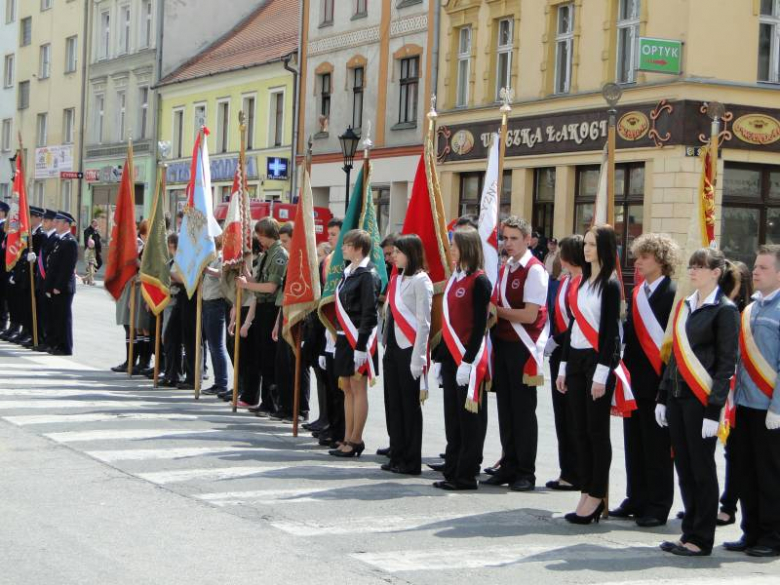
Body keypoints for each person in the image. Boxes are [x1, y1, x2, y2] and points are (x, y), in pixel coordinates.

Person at [656, 247, 739, 557]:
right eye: (691, 265)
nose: (692, 270)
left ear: (716, 273)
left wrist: (714, 409)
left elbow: (726, 364)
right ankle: (688, 531)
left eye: (699, 266)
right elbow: (675, 357)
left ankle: (702, 538)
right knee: (685, 466)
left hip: (701, 400)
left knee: (702, 468)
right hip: (678, 397)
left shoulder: (725, 310)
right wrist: (662, 395)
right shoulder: (685, 306)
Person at [611, 233, 679, 527]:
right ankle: (636, 497)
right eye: (637, 256)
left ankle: (658, 504)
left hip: (659, 381)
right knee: (634, 443)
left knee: (657, 447)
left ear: (661, 260)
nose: (637, 262)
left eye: (644, 257)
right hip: (635, 379)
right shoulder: (638, 292)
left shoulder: (673, 293)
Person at [556, 224, 622, 524]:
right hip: (576, 359)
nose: (586, 249)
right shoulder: (581, 282)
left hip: (597, 361)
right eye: (585, 244)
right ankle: (585, 489)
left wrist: (602, 374)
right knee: (579, 430)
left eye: (592, 244)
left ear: (604, 248)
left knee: (596, 431)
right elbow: (573, 325)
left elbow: (610, 333)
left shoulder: (610, 285)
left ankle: (597, 494)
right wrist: (563, 366)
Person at [484, 216, 548, 492]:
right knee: (506, 409)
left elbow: (530, 314)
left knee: (522, 411)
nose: (508, 243)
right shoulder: (506, 267)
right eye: (505, 238)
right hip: (503, 344)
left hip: (523, 348)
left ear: (528, 240)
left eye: (514, 238)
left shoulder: (534, 270)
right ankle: (508, 464)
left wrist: (495, 311)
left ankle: (525, 471)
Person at [724, 245, 780, 557]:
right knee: (745, 471)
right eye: (755, 266)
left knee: (770, 475)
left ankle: (773, 536)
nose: (755, 271)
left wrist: (777, 408)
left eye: (763, 267)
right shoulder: (751, 308)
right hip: (744, 405)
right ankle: (751, 531)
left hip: (770, 409)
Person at [433, 228, 491, 490]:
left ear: (467, 247)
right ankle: (452, 469)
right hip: (451, 358)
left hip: (468, 359)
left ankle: (466, 474)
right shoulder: (455, 278)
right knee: (452, 418)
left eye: (455, 246)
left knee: (469, 421)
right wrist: (441, 358)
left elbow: (479, 327)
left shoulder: (480, 281)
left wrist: (467, 362)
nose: (451, 250)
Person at [381, 234, 433, 475]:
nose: (393, 256)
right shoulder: (397, 279)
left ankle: (411, 461)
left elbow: (424, 323)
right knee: (393, 405)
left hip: (409, 350)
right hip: (392, 348)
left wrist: (418, 358)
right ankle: (397, 454)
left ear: (410, 254)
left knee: (409, 407)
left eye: (398, 252)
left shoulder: (422, 281)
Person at [329, 229, 381, 458]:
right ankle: (347, 437)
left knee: (358, 389)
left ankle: (356, 439)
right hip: (344, 338)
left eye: (347, 245)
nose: (343, 248)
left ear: (359, 249)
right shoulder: (348, 272)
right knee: (347, 389)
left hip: (358, 339)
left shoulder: (368, 275)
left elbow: (369, 313)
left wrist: (361, 346)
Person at [544, 235, 584, 492]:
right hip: (560, 350)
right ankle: (566, 470)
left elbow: (579, 323)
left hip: (571, 350)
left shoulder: (581, 282)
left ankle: (576, 472)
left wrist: (557, 340)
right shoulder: (566, 279)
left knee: (572, 416)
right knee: (562, 415)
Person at [237, 218, 288, 415]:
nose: (258, 238)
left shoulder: (279, 254)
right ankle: (266, 401)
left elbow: (271, 287)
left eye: (260, 235)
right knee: (261, 357)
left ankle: (272, 403)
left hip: (271, 309)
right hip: (262, 307)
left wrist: (247, 285)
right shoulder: (267, 254)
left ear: (268, 234)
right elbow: (258, 282)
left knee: (269, 358)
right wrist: (245, 273)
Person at [716, 260, 753, 528]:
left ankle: (728, 506)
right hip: (721, 387)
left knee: (736, 451)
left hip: (743, 391)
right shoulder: (717, 307)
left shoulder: (746, 313)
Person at [44, 211, 79, 355]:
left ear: (66, 224)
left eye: (58, 222)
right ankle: (56, 344)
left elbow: (67, 268)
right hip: (55, 286)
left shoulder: (70, 242)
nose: (55, 224)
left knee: (63, 318)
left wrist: (58, 286)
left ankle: (65, 347)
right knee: (56, 317)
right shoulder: (59, 240)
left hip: (63, 288)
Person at [201, 236, 230, 396]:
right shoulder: (211, 258)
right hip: (207, 302)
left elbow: (223, 274)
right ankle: (218, 382)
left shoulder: (221, 257)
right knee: (212, 345)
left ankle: (221, 382)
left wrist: (206, 269)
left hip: (216, 303)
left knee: (216, 345)